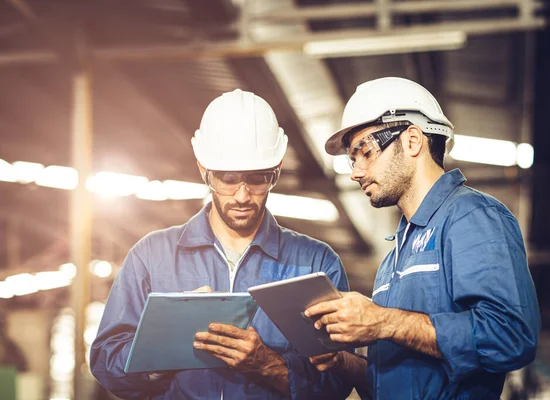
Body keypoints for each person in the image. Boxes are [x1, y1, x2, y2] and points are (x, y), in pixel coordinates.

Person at [90, 89, 353, 400]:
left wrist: (268, 365)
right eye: (228, 178)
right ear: (204, 170)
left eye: (257, 178)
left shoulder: (315, 263)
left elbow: (337, 383)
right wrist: (165, 344)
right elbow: (106, 365)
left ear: (277, 170)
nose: (242, 196)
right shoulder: (151, 257)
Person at [305, 77, 541, 399]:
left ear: (413, 140)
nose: (355, 172)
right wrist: (343, 362)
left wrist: (383, 322)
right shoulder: (395, 255)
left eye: (365, 152)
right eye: (351, 159)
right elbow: (392, 383)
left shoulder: (471, 217)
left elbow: (511, 337)